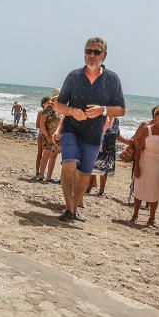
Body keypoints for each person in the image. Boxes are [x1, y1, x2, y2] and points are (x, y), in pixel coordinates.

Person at [51, 37, 126, 222]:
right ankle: (68, 209)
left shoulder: (112, 79)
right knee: (69, 164)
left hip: (94, 135)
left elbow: (122, 109)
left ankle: (74, 209)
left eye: (96, 52)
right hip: (72, 129)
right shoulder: (73, 76)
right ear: (84, 53)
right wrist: (72, 111)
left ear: (104, 56)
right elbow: (58, 105)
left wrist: (104, 110)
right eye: (88, 51)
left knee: (84, 174)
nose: (91, 55)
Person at [90, 117, 121, 196]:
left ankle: (101, 191)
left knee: (105, 169)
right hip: (99, 146)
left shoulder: (116, 120)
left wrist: (128, 142)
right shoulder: (101, 118)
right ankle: (88, 187)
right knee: (94, 167)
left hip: (110, 148)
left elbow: (117, 135)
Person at [36, 96, 62, 183]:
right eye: (58, 98)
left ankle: (49, 177)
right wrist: (47, 136)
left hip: (57, 137)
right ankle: (41, 176)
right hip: (48, 135)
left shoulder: (60, 109)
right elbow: (41, 123)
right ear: (53, 100)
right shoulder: (48, 109)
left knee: (54, 156)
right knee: (46, 155)